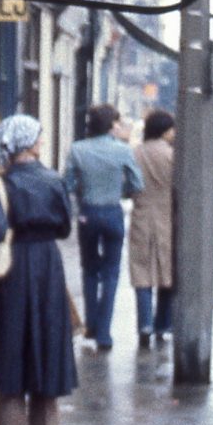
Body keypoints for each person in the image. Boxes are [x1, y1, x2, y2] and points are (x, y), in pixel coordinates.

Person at [0, 114, 78, 425]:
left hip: (14, 268)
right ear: (29, 144)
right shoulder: (54, 180)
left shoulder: (1, 184)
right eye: (39, 138)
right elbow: (64, 228)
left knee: (11, 339)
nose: (42, 143)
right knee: (47, 339)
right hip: (47, 265)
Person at [63, 102, 143, 350]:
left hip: (88, 212)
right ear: (110, 125)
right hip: (112, 212)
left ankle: (91, 324)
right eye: (117, 123)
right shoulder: (123, 151)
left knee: (89, 270)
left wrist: (81, 192)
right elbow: (136, 183)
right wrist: (122, 192)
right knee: (111, 272)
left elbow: (66, 184)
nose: (119, 127)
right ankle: (104, 333)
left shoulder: (77, 149)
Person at [130, 108, 175, 348]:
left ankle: (144, 325)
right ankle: (163, 325)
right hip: (167, 217)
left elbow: (127, 186)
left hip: (141, 215)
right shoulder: (172, 155)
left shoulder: (136, 153)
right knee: (167, 273)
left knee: (142, 272)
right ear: (165, 130)